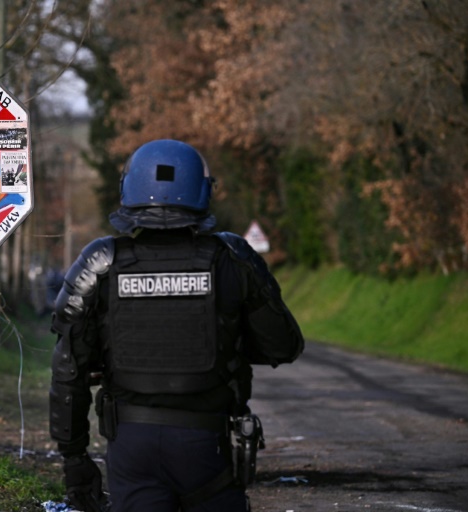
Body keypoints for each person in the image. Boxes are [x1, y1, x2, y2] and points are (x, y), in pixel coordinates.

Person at [49, 139, 305, 512]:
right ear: (203, 192)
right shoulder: (232, 258)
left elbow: (68, 369)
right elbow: (283, 346)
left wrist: (74, 458)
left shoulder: (99, 262)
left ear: (128, 190)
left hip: (131, 444)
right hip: (206, 443)